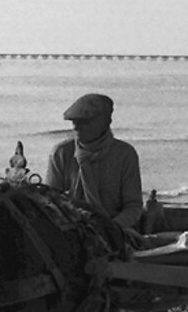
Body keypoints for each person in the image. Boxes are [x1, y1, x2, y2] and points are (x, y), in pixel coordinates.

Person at [45, 93, 143, 230]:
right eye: (74, 122)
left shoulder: (124, 154)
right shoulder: (61, 153)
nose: (76, 127)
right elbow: (50, 201)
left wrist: (112, 227)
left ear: (104, 122)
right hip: (71, 229)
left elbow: (133, 206)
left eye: (84, 122)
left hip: (114, 229)